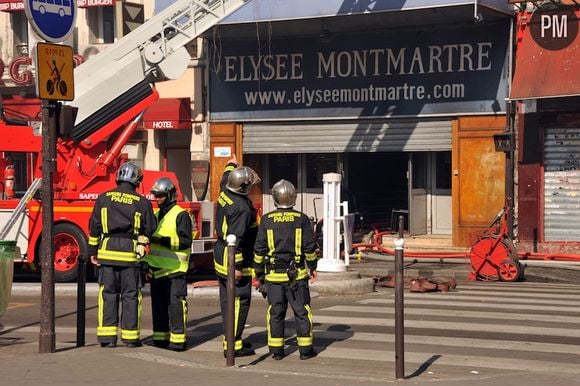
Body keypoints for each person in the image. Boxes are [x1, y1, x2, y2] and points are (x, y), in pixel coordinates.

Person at [88, 162, 156, 348]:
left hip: (107, 253)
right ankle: (130, 338)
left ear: (118, 177)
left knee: (107, 295)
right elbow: (151, 228)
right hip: (130, 256)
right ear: (137, 180)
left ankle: (107, 338)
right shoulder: (141, 202)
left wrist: (93, 252)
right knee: (131, 296)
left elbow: (94, 227)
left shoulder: (103, 198)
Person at [253, 179, 319, 361]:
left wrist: (258, 273)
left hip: (274, 278)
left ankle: (277, 351)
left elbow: (259, 250)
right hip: (297, 276)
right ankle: (305, 351)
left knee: (276, 313)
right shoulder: (302, 219)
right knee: (302, 312)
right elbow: (310, 248)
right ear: (293, 198)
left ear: (275, 198)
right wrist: (312, 267)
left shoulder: (266, 220)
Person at [214, 154, 260, 357]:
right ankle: (232, 345)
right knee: (239, 302)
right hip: (233, 258)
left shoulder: (225, 190)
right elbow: (238, 239)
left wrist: (231, 164)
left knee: (227, 300)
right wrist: (238, 267)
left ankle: (234, 341)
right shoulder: (242, 208)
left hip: (220, 253)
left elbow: (225, 177)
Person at [144, 177, 193, 352]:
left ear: (170, 195)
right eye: (155, 195)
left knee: (176, 307)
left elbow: (186, 242)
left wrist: (160, 240)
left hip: (175, 270)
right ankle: (160, 339)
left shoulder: (181, 215)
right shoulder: (156, 216)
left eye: (160, 196)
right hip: (157, 271)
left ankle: (178, 341)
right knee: (158, 308)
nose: (156, 199)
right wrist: (145, 265)